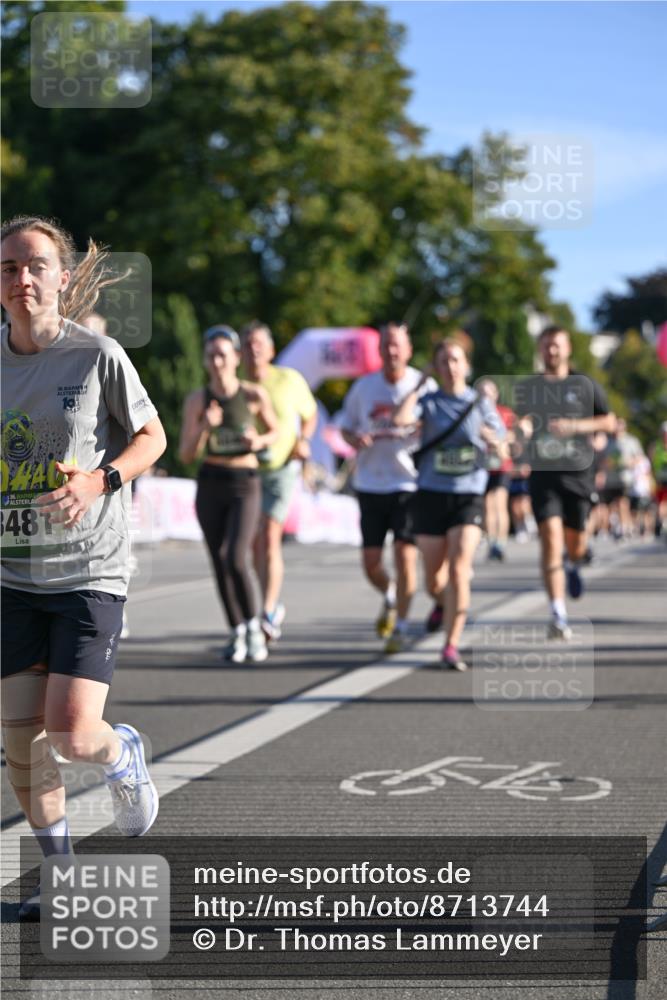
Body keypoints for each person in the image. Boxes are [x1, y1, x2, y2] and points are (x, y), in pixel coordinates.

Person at [1, 215, 167, 918]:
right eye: (9, 268)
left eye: (35, 265)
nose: (22, 279)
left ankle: (122, 752)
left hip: (87, 571)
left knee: (71, 734)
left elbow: (151, 436)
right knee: (19, 746)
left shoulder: (96, 355)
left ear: (62, 278)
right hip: (12, 576)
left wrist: (99, 480)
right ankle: (61, 871)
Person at [394, 337, 506, 670]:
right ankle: (443, 603)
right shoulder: (428, 401)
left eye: (456, 360)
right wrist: (419, 380)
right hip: (430, 493)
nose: (450, 366)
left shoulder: (481, 403)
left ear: (466, 365)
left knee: (459, 569)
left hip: (468, 495)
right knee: (433, 580)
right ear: (437, 367)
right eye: (443, 361)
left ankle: (450, 645)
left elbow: (503, 448)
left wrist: (492, 440)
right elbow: (400, 420)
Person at [179, 325, 278, 663]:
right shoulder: (198, 399)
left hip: (245, 482)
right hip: (211, 481)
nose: (217, 361)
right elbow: (186, 455)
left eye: (223, 354)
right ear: (205, 361)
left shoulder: (252, 395)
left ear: (236, 358)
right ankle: (236, 631)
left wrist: (259, 441)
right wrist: (204, 427)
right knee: (218, 561)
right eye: (211, 356)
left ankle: (254, 627)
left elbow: (276, 430)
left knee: (235, 555)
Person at [340, 322, 436, 653]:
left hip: (409, 483)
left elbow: (439, 424)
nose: (391, 351)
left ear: (408, 350)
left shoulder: (423, 385)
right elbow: (345, 428)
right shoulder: (363, 388)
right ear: (378, 350)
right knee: (370, 564)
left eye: (397, 345)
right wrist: (355, 438)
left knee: (405, 556)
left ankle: (402, 626)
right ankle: (392, 594)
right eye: (386, 345)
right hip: (370, 483)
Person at [514, 326, 616, 640]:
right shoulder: (530, 387)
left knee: (576, 544)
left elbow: (609, 421)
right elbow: (521, 420)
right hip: (544, 475)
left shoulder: (585, 385)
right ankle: (557, 613)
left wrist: (576, 425)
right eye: (546, 347)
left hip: (578, 475)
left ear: (568, 349)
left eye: (556, 346)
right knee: (549, 539)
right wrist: (523, 430)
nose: (551, 352)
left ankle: (573, 564)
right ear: (540, 350)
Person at [240, 320, 317, 641]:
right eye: (247, 344)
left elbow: (309, 415)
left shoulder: (289, 379)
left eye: (259, 343)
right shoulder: (235, 383)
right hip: (246, 468)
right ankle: (270, 601)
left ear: (271, 349)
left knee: (270, 535)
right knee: (255, 543)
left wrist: (304, 440)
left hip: (282, 468)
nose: (253, 349)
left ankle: (268, 609)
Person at [477, 378, 515, 561]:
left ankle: (501, 542)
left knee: (499, 503)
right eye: (482, 393)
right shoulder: (475, 413)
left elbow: (513, 435)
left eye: (489, 392)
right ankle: (491, 542)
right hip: (483, 466)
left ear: (496, 394)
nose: (486, 396)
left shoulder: (504, 413)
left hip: (501, 465)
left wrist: (498, 439)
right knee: (487, 505)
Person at [649, 421, 667, 537]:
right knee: (661, 502)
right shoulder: (656, 446)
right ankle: (661, 522)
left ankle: (662, 522)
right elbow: (652, 463)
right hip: (661, 478)